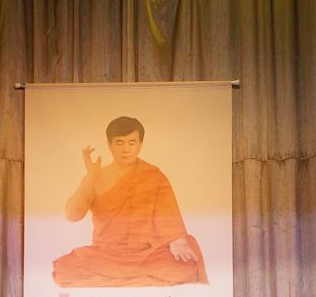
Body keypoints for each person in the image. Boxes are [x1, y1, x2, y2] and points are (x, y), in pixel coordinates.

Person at [52, 116, 209, 287]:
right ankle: (143, 279)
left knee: (188, 260)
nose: (126, 149)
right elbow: (72, 215)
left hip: (146, 254)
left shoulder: (153, 175)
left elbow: (168, 215)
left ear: (140, 144)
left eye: (132, 143)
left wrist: (177, 240)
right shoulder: (97, 177)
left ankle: (117, 278)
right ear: (109, 145)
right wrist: (91, 176)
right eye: (119, 143)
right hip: (106, 254)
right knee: (65, 268)